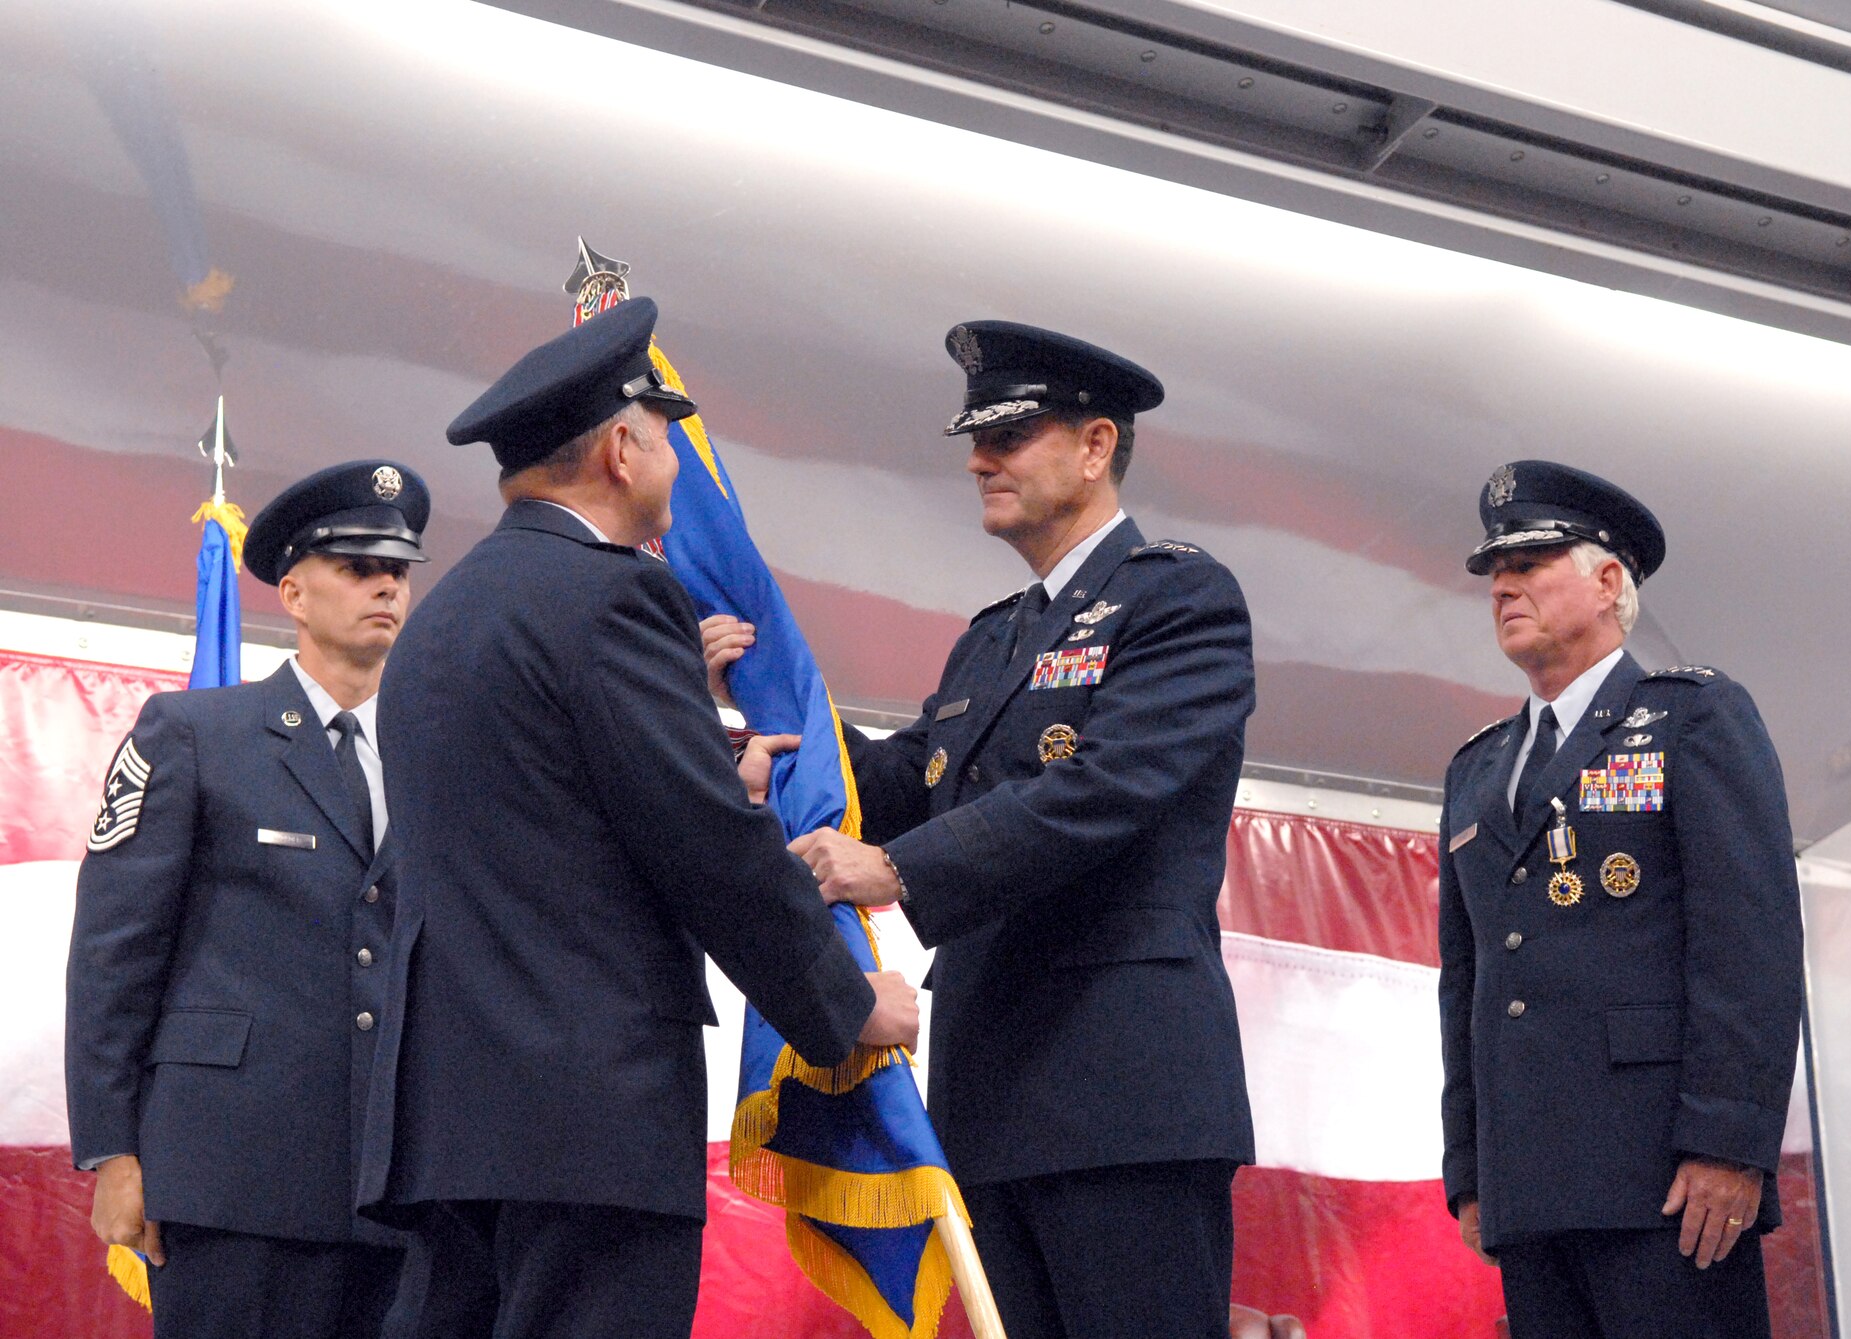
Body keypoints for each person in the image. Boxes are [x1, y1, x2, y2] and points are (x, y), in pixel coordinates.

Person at [353, 296, 919, 1339]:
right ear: (621, 447)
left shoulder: (439, 622)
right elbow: (706, 853)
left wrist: (707, 778)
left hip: (447, 1116)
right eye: (663, 434)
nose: (672, 458)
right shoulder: (614, 598)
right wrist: (846, 1007)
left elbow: (542, 822)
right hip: (583, 1114)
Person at [705, 321, 1257, 1339]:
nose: (977, 458)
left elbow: (1107, 787)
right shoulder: (993, 637)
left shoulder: (1178, 597)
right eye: (976, 437)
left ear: (1095, 447)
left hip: (1122, 1092)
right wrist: (745, 727)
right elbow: (890, 779)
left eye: (1010, 435)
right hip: (994, 1089)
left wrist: (893, 872)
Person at [1436, 460, 1804, 1339]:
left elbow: (1748, 939)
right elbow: (1468, 980)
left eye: (1532, 561)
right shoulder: (1476, 767)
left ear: (1609, 581)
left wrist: (1728, 1140)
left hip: (1666, 1178)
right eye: (1496, 571)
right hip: (1529, 1185)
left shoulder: (1691, 716)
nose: (1505, 585)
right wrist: (1472, 1168)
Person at [67, 459, 432, 1338]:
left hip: (399, 1190)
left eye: (398, 569)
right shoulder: (197, 733)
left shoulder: (436, 757)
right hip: (235, 1177)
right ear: (296, 593)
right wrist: (114, 1152)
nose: (385, 584)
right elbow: (114, 952)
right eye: (357, 566)